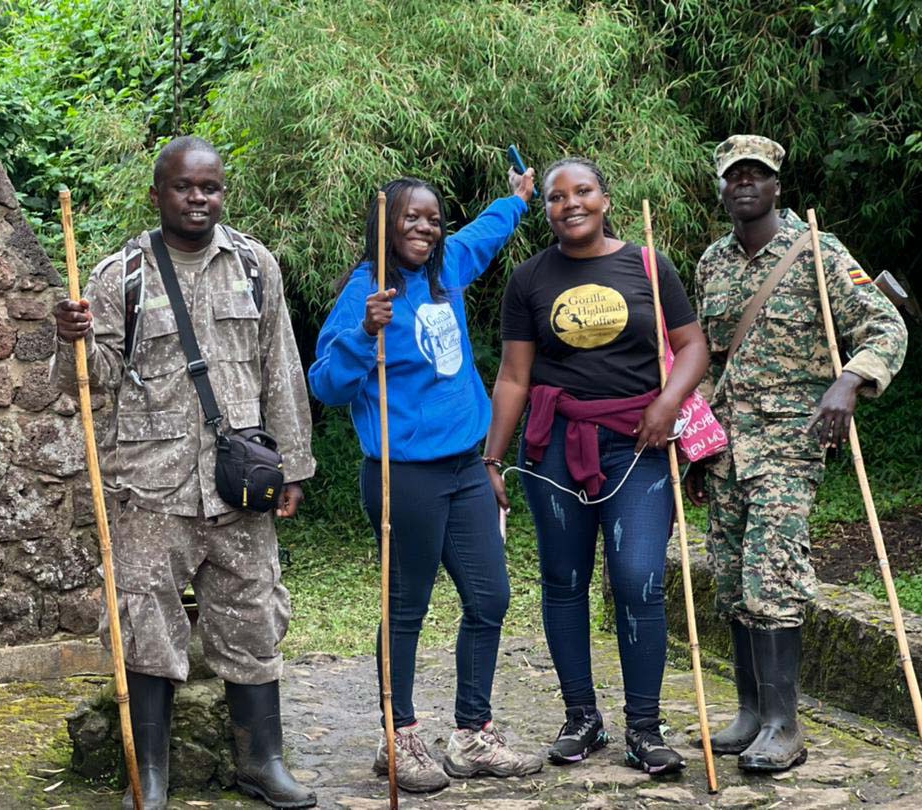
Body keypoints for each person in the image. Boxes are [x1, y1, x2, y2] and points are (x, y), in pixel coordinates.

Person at [51, 137, 317, 809]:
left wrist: (293, 467)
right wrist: (72, 339)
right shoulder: (121, 276)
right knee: (146, 623)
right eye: (183, 187)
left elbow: (280, 368)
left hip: (240, 483)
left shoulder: (254, 266)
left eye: (210, 187)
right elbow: (93, 379)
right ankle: (151, 774)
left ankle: (263, 762)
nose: (198, 198)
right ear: (157, 194)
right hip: (150, 486)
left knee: (254, 614)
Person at [309, 168, 543, 793]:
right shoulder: (365, 291)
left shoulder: (447, 270)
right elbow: (326, 385)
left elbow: (486, 233)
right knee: (406, 606)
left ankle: (472, 733)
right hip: (403, 476)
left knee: (490, 597)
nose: (424, 227)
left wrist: (517, 198)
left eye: (433, 218)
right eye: (410, 217)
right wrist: (365, 333)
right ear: (384, 224)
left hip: (466, 467)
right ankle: (400, 736)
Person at [686, 135, 907, 772]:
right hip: (726, 448)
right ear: (722, 187)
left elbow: (885, 326)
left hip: (789, 444)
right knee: (732, 578)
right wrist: (697, 438)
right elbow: (709, 360)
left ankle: (784, 725)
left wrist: (850, 381)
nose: (744, 184)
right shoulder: (712, 264)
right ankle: (751, 713)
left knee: (773, 575)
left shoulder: (818, 251)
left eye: (756, 174)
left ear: (776, 185)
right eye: (734, 175)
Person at [483, 157, 709, 775]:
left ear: (606, 199)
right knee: (563, 579)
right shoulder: (529, 279)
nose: (570, 204)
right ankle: (581, 716)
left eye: (582, 191)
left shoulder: (649, 265)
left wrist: (668, 404)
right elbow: (514, 376)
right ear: (546, 210)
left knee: (638, 577)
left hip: (639, 441)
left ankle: (645, 728)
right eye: (556, 197)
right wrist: (493, 458)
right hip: (557, 445)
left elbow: (693, 346)